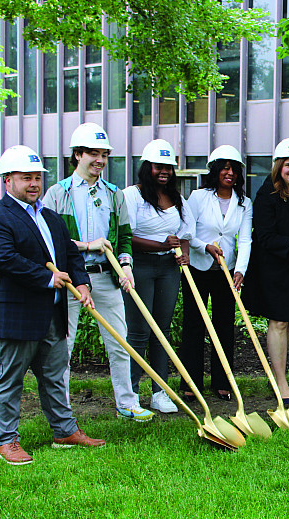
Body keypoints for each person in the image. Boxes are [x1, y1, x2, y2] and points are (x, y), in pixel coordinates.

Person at [0, 145, 104, 465]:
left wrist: (80, 282)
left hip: (51, 312)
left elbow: (70, 255)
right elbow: (4, 260)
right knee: (10, 378)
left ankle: (64, 430)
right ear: (8, 181)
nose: (34, 184)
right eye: (26, 178)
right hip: (14, 314)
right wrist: (48, 278)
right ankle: (7, 440)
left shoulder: (50, 217)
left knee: (54, 375)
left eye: (37, 177)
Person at [43, 122, 154, 421]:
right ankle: (61, 409)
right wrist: (86, 244)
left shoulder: (114, 194)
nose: (100, 161)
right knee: (62, 346)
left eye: (104, 155)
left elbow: (125, 237)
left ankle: (127, 403)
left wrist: (126, 266)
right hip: (70, 280)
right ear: (77, 155)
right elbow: (49, 240)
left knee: (120, 341)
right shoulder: (57, 194)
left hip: (106, 277)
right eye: (93, 153)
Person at [242, 138, 289, 406]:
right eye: (288, 164)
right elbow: (264, 237)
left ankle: (280, 376)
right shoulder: (266, 195)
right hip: (272, 268)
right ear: (278, 167)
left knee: (288, 321)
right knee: (279, 322)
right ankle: (280, 383)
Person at [122, 139, 192, 412]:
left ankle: (160, 391)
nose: (164, 171)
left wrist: (182, 251)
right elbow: (126, 236)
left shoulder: (177, 198)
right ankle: (130, 394)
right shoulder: (133, 195)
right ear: (147, 167)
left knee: (161, 331)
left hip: (167, 269)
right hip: (140, 266)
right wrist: (162, 245)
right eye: (158, 166)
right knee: (138, 331)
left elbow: (185, 232)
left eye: (169, 167)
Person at [181, 145, 252, 402]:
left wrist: (240, 270)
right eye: (224, 167)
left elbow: (244, 240)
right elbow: (187, 230)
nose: (229, 173)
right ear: (215, 171)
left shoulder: (244, 203)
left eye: (233, 168)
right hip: (198, 267)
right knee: (194, 324)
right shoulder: (199, 197)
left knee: (224, 326)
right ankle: (191, 381)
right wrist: (205, 247)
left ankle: (222, 381)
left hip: (227, 270)